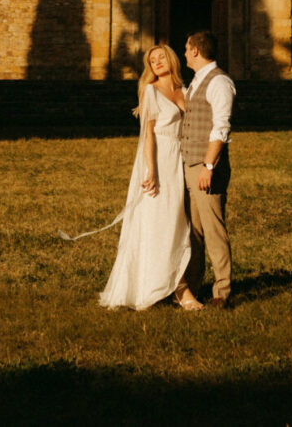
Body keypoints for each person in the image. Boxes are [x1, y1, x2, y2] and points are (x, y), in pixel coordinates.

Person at [99, 44, 192, 310]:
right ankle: (169, 288)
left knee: (176, 220)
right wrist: (150, 170)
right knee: (157, 220)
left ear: (171, 60)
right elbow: (147, 134)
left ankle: (172, 281)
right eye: (152, 60)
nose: (157, 62)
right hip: (159, 159)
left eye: (161, 57)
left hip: (178, 158)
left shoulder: (184, 91)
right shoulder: (150, 91)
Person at [176, 29, 235, 311]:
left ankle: (222, 291)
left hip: (206, 165)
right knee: (194, 232)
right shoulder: (198, 80)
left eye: (187, 48)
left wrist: (208, 166)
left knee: (213, 230)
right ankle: (195, 286)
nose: (184, 53)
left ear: (196, 51)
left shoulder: (219, 82)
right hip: (191, 164)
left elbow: (221, 128)